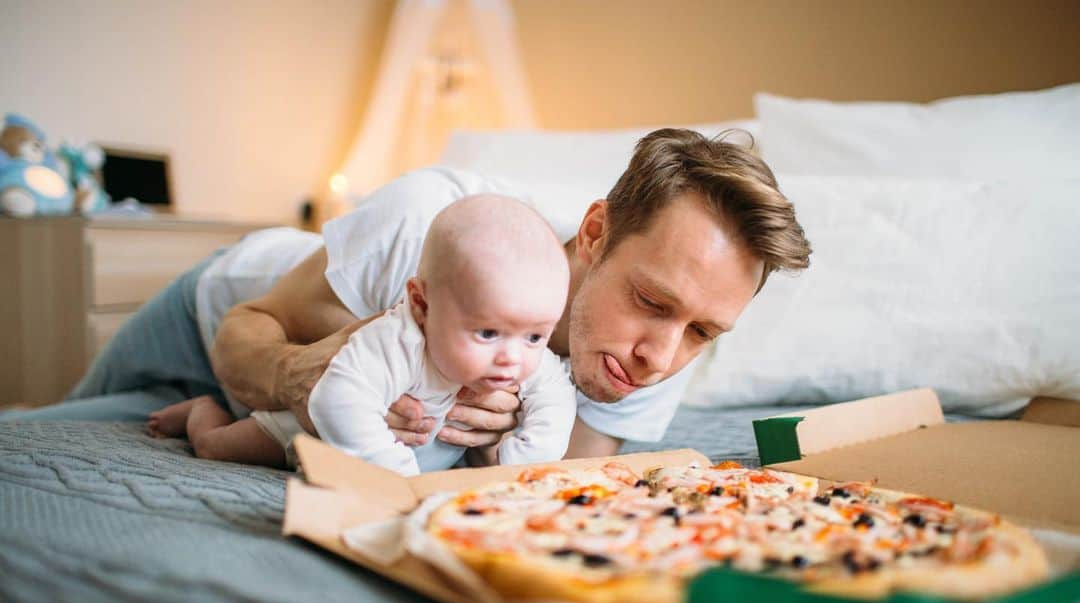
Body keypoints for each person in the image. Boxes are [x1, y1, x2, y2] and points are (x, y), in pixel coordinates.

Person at [3, 129, 811, 465]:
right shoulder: (431, 220)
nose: (661, 355)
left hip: (260, 409)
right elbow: (249, 332)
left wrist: (497, 442)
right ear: (594, 231)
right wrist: (298, 376)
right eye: (652, 301)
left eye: (704, 331)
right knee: (34, 440)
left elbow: (542, 479)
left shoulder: (641, 366)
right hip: (211, 319)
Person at [145, 195, 576, 474]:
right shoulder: (395, 342)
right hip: (310, 431)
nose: (512, 359)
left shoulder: (519, 352)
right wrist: (393, 473)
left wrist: (528, 457)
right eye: (487, 332)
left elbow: (556, 398)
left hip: (412, 449)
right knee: (217, 449)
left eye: (536, 338)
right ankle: (200, 410)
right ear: (423, 306)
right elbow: (335, 401)